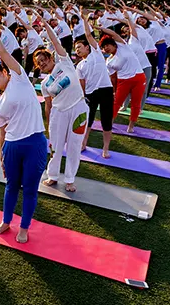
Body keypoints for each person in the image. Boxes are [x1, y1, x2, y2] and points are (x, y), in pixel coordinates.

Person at [0, 22, 47, 243]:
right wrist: (1, 154)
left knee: (29, 189)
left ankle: (24, 227)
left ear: (4, 71)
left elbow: (2, 51)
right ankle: (6, 221)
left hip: (34, 143)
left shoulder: (20, 78)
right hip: (11, 146)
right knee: (10, 186)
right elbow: (2, 130)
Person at [33, 13, 89, 192]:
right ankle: (53, 176)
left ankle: (70, 179)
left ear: (50, 58)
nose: (41, 64)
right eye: (38, 63)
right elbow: (48, 105)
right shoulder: (44, 83)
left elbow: (56, 42)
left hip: (79, 108)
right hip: (59, 113)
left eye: (43, 60)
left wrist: (45, 25)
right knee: (56, 147)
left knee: (74, 146)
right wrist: (49, 122)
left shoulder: (64, 63)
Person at [75, 14, 114, 158]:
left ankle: (106, 148)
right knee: (88, 120)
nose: (77, 50)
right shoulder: (79, 66)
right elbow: (82, 84)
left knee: (106, 120)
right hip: (90, 94)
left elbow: (88, 34)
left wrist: (85, 20)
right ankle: (83, 143)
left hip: (105, 90)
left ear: (87, 47)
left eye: (79, 47)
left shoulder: (96, 53)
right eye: (76, 49)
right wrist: (83, 97)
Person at [98, 21, 147, 134]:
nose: (106, 48)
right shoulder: (108, 61)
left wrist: (101, 28)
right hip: (123, 81)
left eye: (107, 45)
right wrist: (114, 90)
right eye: (104, 47)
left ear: (114, 44)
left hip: (138, 78)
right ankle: (110, 123)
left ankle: (131, 126)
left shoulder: (123, 46)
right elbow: (112, 77)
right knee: (116, 103)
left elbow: (113, 34)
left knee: (136, 103)